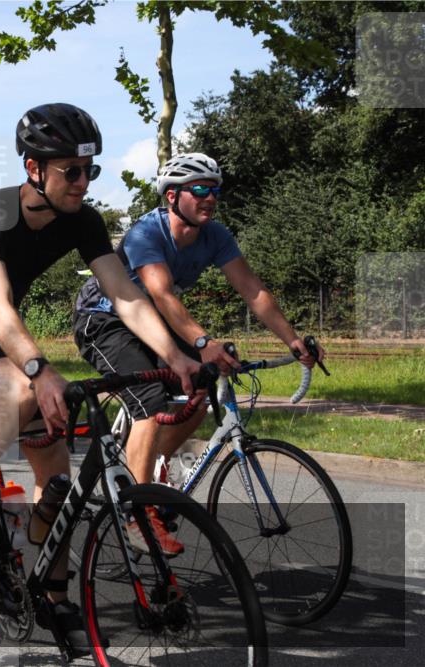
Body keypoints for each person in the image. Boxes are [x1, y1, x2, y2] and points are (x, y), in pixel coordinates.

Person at [0, 103, 202, 653]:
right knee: (25, 389)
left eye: (90, 170)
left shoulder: (82, 219)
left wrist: (176, 355)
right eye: (70, 170)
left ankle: (54, 593)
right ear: (33, 170)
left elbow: (125, 296)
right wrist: (40, 370)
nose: (83, 182)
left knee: (58, 474)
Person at [73, 152, 325, 547]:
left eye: (215, 191)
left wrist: (291, 339)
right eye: (200, 190)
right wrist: (204, 343)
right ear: (172, 197)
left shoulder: (215, 236)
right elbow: (161, 295)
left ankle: (150, 466)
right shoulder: (146, 233)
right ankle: (136, 512)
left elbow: (253, 290)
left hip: (150, 323)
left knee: (198, 391)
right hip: (104, 320)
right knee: (150, 401)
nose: (210, 198)